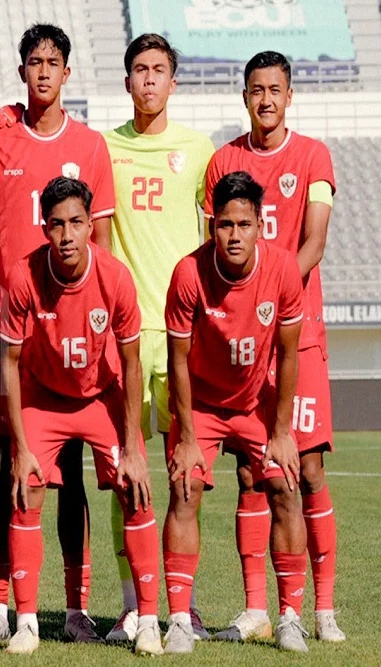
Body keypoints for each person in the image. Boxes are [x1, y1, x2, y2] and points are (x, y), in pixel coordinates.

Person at [0, 24, 115, 645]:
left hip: (74, 336)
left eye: (54, 63)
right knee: (14, 467)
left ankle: (76, 603)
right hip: (13, 334)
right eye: (34, 63)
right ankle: (2, 597)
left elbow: (102, 246)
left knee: (75, 474)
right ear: (22, 71)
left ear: (68, 72)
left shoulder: (90, 146)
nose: (44, 73)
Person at [204, 50, 344, 643]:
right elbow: (211, 244)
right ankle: (257, 608)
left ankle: (324, 608)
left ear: (290, 96)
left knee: (305, 467)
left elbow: (313, 242)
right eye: (256, 89)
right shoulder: (224, 161)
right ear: (244, 96)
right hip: (241, 343)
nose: (265, 99)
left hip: (297, 335)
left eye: (275, 89)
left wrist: (276, 291)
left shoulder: (313, 156)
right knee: (250, 474)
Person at [0, 177, 162, 656]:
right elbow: (8, 362)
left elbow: (132, 363)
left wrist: (132, 444)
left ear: (91, 225)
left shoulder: (114, 277)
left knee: (136, 486)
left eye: (75, 223)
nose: (67, 235)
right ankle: (27, 621)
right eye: (56, 225)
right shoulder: (24, 276)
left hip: (100, 395)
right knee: (27, 488)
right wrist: (20, 446)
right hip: (45, 396)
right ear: (43, 227)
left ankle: (149, 618)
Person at [162, 170, 309, 654]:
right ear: (212, 226)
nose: (235, 235)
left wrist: (283, 431)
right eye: (225, 224)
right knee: (185, 489)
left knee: (286, 486)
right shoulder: (188, 274)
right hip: (201, 404)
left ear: (261, 225)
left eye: (244, 224)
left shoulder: (284, 270)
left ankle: (289, 617)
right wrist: (185, 434)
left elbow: (289, 355)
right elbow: (177, 360)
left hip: (255, 403)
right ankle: (180, 619)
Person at [101, 33, 215, 643]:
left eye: (158, 71)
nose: (148, 80)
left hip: (180, 335)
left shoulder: (198, 151)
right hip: (123, 334)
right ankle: (130, 601)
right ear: (127, 82)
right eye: (139, 70)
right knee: (128, 472)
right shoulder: (105, 148)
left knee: (184, 474)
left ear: (174, 82)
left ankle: (180, 604)